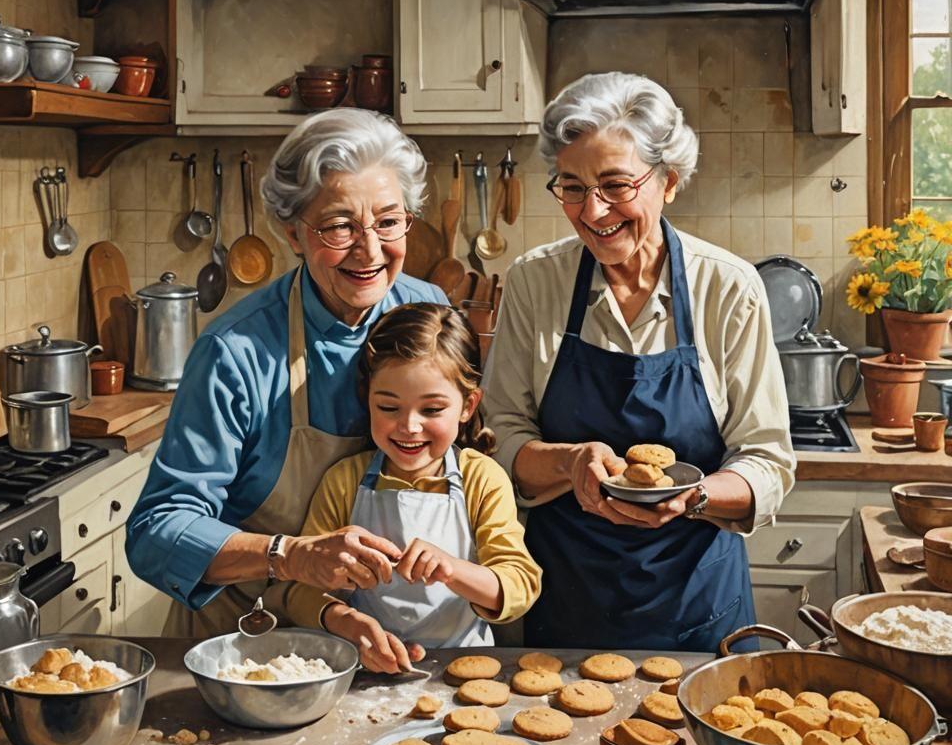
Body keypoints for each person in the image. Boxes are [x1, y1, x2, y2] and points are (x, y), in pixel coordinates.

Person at [483, 72, 795, 651]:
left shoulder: (728, 287)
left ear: (669, 181)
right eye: (571, 186)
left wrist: (693, 497)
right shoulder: (534, 281)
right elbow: (500, 436)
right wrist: (568, 461)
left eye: (615, 184)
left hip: (698, 597)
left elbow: (769, 460)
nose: (592, 210)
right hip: (566, 595)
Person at [125, 110, 448, 636]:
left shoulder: (427, 309)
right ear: (293, 233)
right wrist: (290, 556)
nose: (369, 251)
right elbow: (156, 532)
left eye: (389, 222)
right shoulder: (235, 353)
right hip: (250, 636)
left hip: (387, 633)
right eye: (340, 226)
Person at [287, 303, 541, 674]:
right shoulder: (343, 481)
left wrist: (452, 569)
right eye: (388, 407)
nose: (409, 426)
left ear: (468, 405)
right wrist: (347, 623)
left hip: (464, 668)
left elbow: (519, 585)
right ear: (367, 399)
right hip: (364, 666)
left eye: (433, 410)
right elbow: (300, 591)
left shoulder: (482, 480)